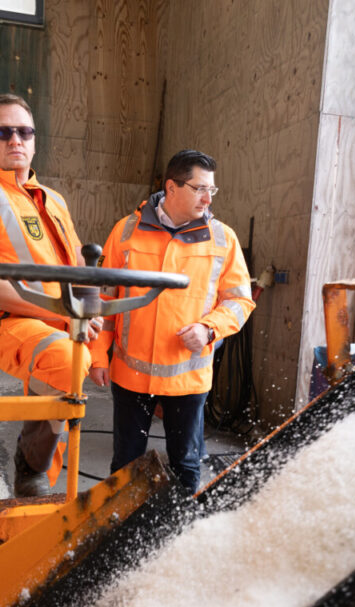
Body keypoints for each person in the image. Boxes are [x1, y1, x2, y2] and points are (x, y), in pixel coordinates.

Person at [0, 93, 99, 498]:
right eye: (4, 131)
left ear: (34, 140)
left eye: (24, 132)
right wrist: (67, 314)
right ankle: (31, 467)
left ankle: (47, 487)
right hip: (7, 322)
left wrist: (90, 318)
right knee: (66, 360)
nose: (16, 140)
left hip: (64, 321)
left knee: (85, 364)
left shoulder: (53, 200)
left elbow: (80, 270)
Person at [89, 150, 255, 491]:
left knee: (186, 464)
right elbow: (103, 298)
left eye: (212, 190)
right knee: (125, 465)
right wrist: (96, 356)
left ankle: (181, 535)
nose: (208, 198)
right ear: (172, 187)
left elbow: (240, 301)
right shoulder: (126, 232)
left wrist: (210, 328)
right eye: (199, 188)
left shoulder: (223, 238)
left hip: (188, 377)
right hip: (131, 374)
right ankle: (122, 535)